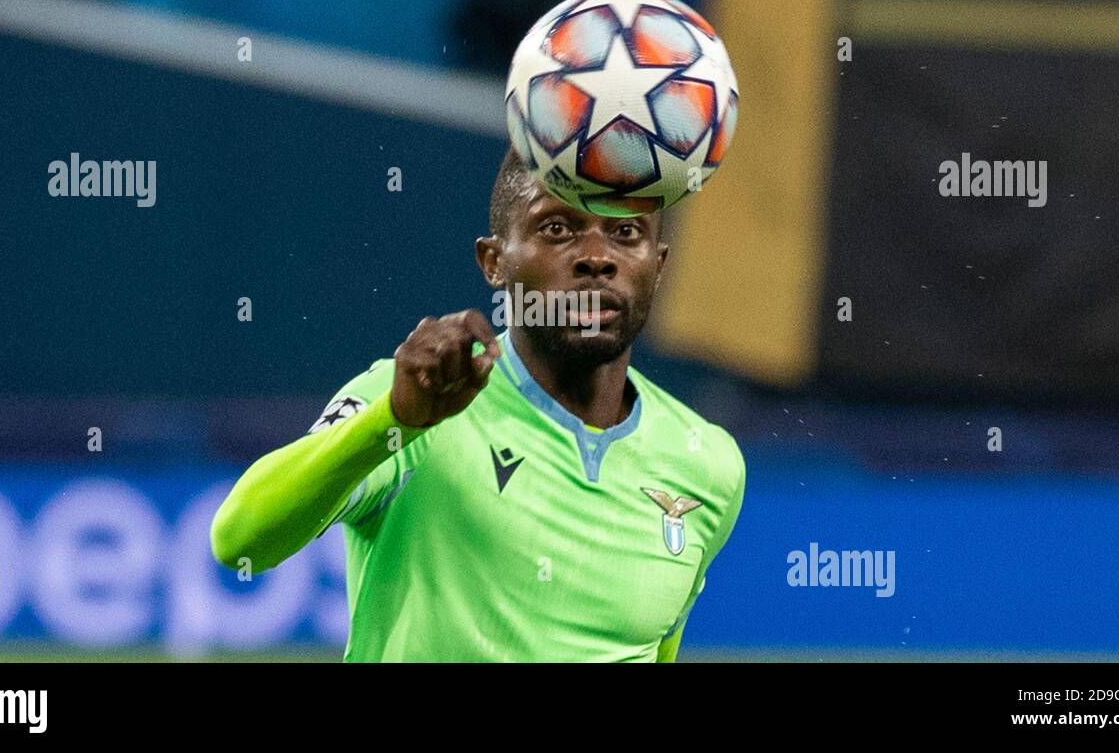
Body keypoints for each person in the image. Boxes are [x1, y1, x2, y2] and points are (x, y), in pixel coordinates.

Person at [211, 149, 745, 662]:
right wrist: (391, 421)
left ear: (659, 264)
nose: (596, 258)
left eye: (625, 233)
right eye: (557, 228)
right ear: (494, 262)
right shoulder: (418, 400)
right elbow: (239, 544)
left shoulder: (707, 466)